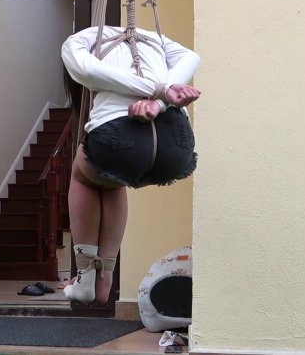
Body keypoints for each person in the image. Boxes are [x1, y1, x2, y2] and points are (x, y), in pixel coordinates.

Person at [60, 25, 200, 304]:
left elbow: (86, 71)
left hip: (119, 137)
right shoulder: (158, 39)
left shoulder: (79, 40)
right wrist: (161, 97)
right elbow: (192, 57)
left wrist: (158, 94)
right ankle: (106, 275)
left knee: (83, 176)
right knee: (112, 181)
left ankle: (86, 276)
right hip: (176, 144)